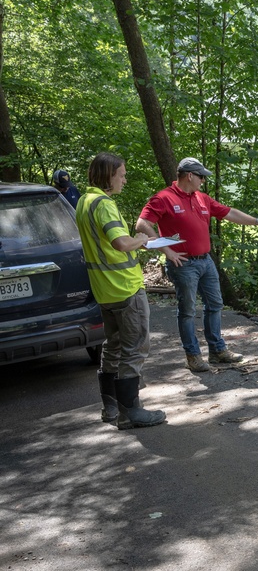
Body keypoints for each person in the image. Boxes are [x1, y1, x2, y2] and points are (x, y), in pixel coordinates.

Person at [136, 157, 258, 372]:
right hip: (183, 264)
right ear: (190, 176)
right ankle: (193, 356)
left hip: (206, 261)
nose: (203, 180)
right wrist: (166, 249)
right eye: (201, 176)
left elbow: (230, 213)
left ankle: (217, 351)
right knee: (188, 310)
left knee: (215, 304)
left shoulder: (202, 198)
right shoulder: (163, 198)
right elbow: (142, 223)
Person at [75, 152, 166, 429]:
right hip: (124, 287)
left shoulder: (83, 201)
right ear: (108, 175)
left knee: (112, 346)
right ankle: (131, 411)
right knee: (135, 347)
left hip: (104, 290)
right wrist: (140, 239)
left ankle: (111, 407)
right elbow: (120, 243)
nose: (125, 179)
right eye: (122, 174)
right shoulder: (104, 204)